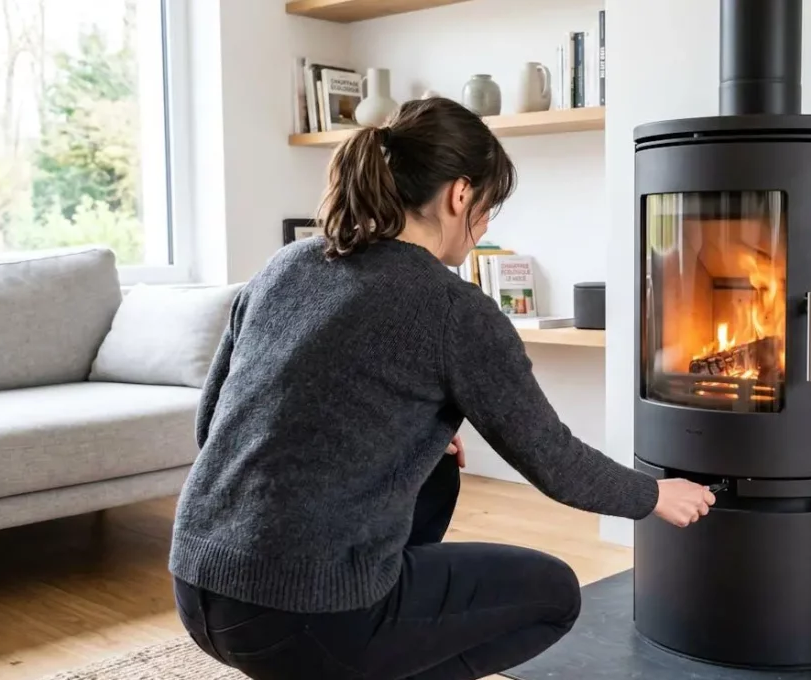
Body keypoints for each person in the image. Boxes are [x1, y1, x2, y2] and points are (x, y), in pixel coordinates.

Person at [168, 97, 716, 680]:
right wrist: (654, 496)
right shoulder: (452, 307)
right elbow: (551, 459)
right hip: (301, 614)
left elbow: (215, 426)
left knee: (436, 472)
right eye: (488, 208)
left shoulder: (287, 264)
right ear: (461, 195)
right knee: (552, 594)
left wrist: (410, 440)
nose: (483, 228)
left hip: (198, 581)